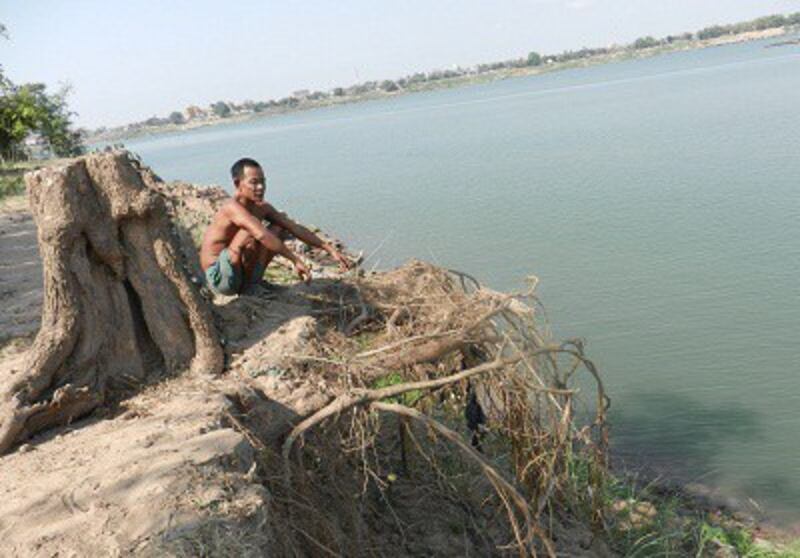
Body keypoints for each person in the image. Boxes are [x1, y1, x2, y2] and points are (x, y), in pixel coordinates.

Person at [200, 157, 351, 295]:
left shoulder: (262, 207)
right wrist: (295, 260)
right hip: (220, 277)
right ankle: (249, 288)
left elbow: (294, 227)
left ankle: (253, 284)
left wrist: (329, 248)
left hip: (239, 273)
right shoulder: (231, 208)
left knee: (279, 227)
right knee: (252, 230)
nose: (260, 187)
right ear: (237, 184)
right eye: (254, 182)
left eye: (263, 181)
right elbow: (261, 235)